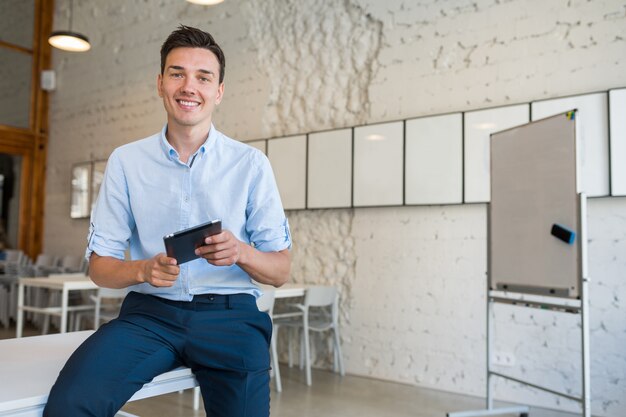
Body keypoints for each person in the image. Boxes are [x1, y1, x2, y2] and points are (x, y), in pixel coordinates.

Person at [44, 25, 291, 417]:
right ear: (160, 83)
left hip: (232, 318)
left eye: (203, 77)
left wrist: (240, 251)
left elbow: (280, 271)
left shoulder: (251, 165)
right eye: (177, 73)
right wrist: (143, 269)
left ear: (219, 91)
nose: (188, 86)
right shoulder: (126, 161)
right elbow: (99, 268)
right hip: (150, 316)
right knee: (70, 405)